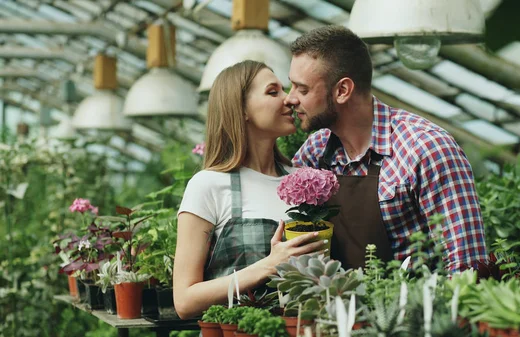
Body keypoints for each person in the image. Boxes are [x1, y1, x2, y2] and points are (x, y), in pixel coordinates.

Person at [284, 26, 487, 273]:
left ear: (342, 91)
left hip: (413, 307)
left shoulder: (425, 147)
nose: (290, 98)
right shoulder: (314, 152)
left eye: (302, 89)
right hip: (334, 305)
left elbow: (466, 266)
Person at [173, 60, 326, 319]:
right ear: (241, 109)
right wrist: (267, 266)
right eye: (273, 92)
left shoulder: (302, 182)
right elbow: (185, 301)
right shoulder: (208, 185)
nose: (289, 100)